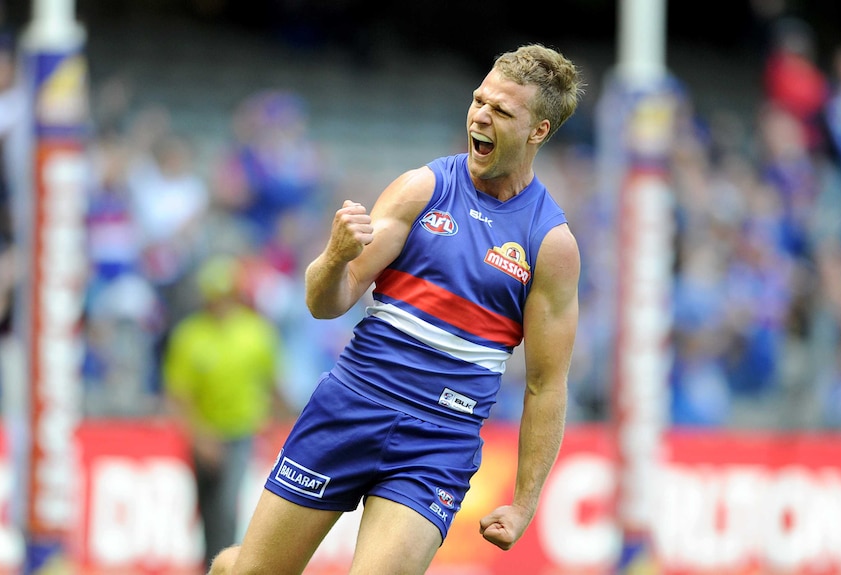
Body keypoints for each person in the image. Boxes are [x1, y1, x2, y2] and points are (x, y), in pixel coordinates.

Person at [209, 43, 584, 575]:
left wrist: (525, 502)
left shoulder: (550, 243)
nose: (480, 114)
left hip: (437, 441)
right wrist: (335, 257)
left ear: (538, 132)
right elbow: (325, 302)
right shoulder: (422, 189)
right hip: (351, 406)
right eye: (480, 99)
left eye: (502, 111)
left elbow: (547, 386)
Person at [162, 254, 291, 569]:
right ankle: (209, 565)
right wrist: (200, 436)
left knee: (226, 505)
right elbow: (179, 395)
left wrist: (288, 418)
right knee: (206, 506)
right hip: (205, 432)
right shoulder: (190, 336)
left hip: (241, 430)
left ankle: (230, 567)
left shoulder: (256, 333)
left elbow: (272, 384)